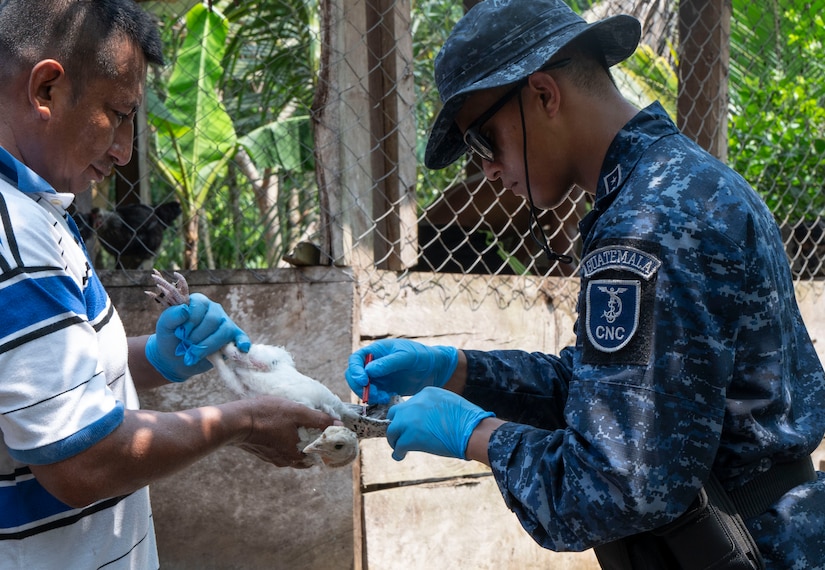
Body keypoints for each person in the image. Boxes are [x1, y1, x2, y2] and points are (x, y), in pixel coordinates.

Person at [345, 0, 825, 567]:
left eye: (483, 141)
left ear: (544, 95)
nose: (488, 171)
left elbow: (614, 486)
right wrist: (455, 369)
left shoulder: (649, 224)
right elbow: (610, 391)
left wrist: (474, 435)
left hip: (747, 548)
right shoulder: (680, 182)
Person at [0, 1, 336, 567]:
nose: (126, 150)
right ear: (47, 91)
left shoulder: (42, 210)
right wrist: (243, 422)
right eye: (119, 112)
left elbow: (43, 383)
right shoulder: (14, 235)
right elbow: (80, 463)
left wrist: (158, 356)